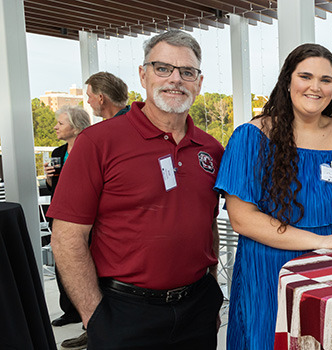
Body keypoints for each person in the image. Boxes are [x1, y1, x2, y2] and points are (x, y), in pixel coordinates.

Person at [48, 30, 225, 348]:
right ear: (143, 75)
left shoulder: (211, 149)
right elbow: (66, 236)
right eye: (163, 68)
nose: (175, 80)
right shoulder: (98, 142)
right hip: (124, 312)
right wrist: (93, 314)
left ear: (199, 83)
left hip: (197, 307)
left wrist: (211, 290)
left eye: (187, 72)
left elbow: (206, 223)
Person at [215, 43, 332, 349]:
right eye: (306, 76)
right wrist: (321, 241)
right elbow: (242, 219)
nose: (315, 87)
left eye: (325, 80)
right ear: (287, 81)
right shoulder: (252, 136)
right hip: (268, 271)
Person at [44, 106, 91, 330]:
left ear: (75, 126)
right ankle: (69, 311)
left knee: (87, 262)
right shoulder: (57, 153)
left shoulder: (89, 150)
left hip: (85, 216)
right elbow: (54, 188)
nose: (55, 127)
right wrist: (49, 178)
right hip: (60, 214)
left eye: (61, 123)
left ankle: (90, 310)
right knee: (62, 262)